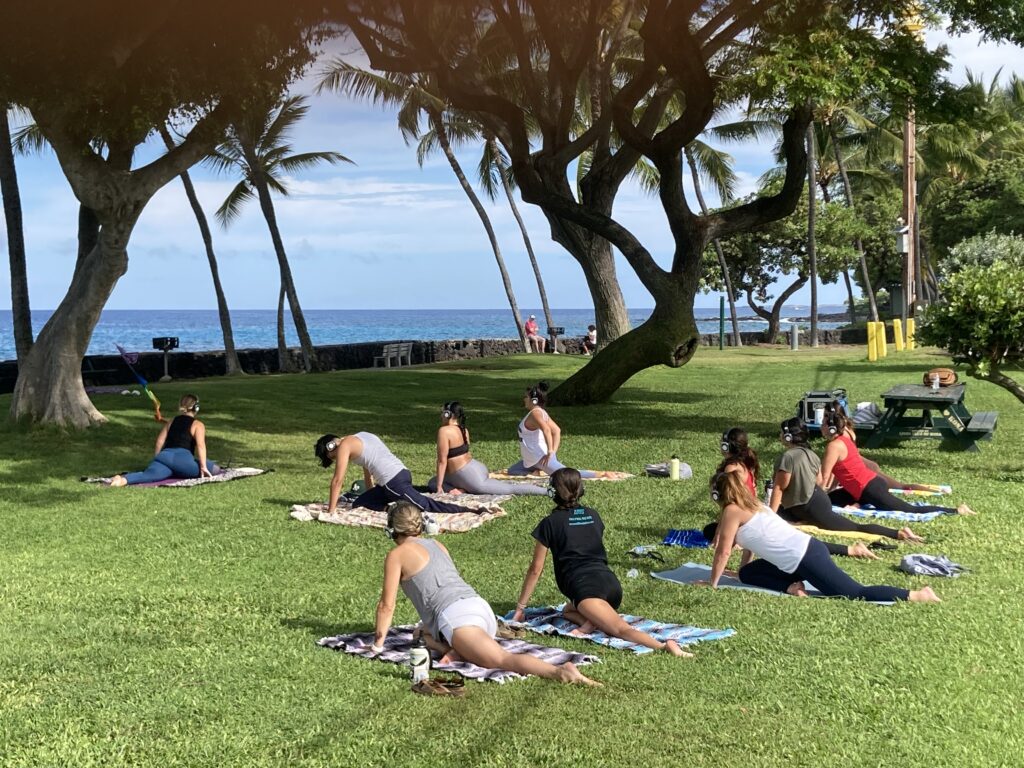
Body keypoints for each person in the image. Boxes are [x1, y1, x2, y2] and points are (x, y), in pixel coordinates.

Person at [371, 502, 598, 686]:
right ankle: (455, 650)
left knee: (501, 660)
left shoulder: (397, 555)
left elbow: (386, 606)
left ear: (391, 529)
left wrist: (377, 647)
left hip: (457, 618)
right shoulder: (437, 545)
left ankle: (559, 672)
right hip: (478, 608)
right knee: (419, 634)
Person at [513, 468, 691, 655]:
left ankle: (664, 646)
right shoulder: (593, 514)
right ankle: (589, 624)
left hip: (587, 590)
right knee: (567, 611)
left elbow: (535, 569)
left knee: (622, 630)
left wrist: (520, 608)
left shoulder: (550, 523)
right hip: (611, 585)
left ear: (553, 492)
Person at [707, 471, 940, 602]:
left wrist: (712, 584)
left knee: (853, 593)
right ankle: (791, 587)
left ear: (719, 494)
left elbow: (723, 551)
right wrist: (740, 570)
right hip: (798, 556)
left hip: (805, 557)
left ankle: (918, 595)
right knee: (748, 574)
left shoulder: (731, 511)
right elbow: (749, 544)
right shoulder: (753, 504)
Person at [770, 417, 923, 542]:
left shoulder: (787, 457)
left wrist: (770, 516)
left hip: (811, 506)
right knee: (778, 513)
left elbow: (779, 489)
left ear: (788, 436)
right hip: (815, 501)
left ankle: (898, 533)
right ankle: (797, 519)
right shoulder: (811, 454)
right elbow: (818, 482)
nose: (779, 436)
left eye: (780, 433)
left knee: (854, 527)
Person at [820, 409, 974, 516]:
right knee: (831, 500)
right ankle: (857, 504)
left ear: (831, 429)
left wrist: (815, 494)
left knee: (908, 509)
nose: (821, 427)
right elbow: (838, 473)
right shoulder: (844, 438)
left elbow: (825, 477)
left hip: (870, 488)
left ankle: (956, 510)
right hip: (865, 486)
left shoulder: (833, 446)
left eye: (823, 424)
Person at [315, 432, 468, 515]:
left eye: (333, 457)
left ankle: (469, 510)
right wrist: (371, 493)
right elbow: (368, 471)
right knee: (359, 502)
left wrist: (331, 510)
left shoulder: (345, 445)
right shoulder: (360, 436)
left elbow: (337, 480)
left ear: (332, 446)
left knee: (425, 505)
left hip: (393, 482)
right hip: (398, 476)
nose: (337, 459)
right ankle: (392, 508)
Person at [427, 402, 547, 496]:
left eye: (442, 412)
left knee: (510, 489)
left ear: (448, 414)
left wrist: (439, 488)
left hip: (469, 475)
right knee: (432, 482)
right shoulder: (463, 429)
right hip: (475, 468)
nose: (440, 415)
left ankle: (547, 492)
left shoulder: (444, 431)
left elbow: (442, 461)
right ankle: (462, 488)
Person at [829, 400, 948, 494]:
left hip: (865, 468)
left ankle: (936, 491)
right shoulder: (848, 429)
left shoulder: (841, 436)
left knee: (902, 486)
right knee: (901, 485)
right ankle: (936, 491)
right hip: (866, 465)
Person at [506, 381, 615, 479]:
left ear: (534, 400)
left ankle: (601, 474)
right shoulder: (540, 412)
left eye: (526, 397)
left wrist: (550, 451)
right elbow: (557, 430)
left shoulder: (536, 413)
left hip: (539, 458)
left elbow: (548, 430)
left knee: (565, 474)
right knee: (512, 471)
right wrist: (553, 451)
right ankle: (540, 471)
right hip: (530, 460)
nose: (524, 399)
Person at [110, 394, 218, 486]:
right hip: (183, 460)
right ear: (196, 408)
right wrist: (203, 467)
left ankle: (122, 480)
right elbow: (200, 446)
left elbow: (159, 441)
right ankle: (179, 470)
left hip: (164, 457)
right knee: (214, 468)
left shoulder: (171, 421)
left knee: (149, 475)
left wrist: (157, 458)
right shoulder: (198, 425)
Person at [717, 427, 759, 499]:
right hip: (752, 506)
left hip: (742, 508)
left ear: (725, 446)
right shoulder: (746, 461)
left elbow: (729, 496)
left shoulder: (732, 468)